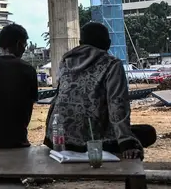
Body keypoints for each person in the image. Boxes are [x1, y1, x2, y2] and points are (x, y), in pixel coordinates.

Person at [44, 22, 157, 159]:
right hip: (94, 141)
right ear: (108, 44)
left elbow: (57, 100)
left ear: (80, 43)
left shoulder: (65, 62)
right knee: (148, 133)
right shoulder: (112, 64)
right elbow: (117, 104)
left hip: (57, 141)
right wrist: (126, 142)